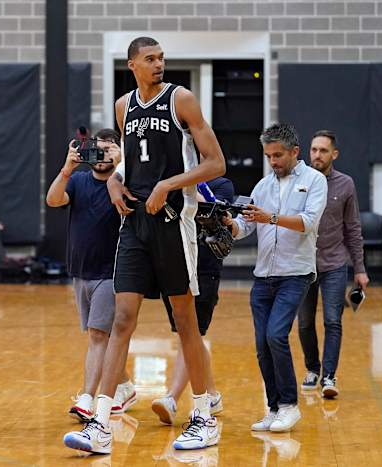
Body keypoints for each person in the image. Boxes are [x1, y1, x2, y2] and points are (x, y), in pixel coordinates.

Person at [63, 36, 226, 455]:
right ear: (132, 64)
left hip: (173, 222)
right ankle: (101, 420)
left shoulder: (181, 99)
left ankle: (204, 414)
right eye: (150, 59)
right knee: (121, 320)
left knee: (185, 320)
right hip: (134, 225)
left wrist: (169, 184)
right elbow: (127, 163)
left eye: (162, 58)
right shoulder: (124, 107)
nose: (159, 65)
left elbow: (215, 163)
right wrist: (116, 181)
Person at [225, 123, 327, 433]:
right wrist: (230, 223)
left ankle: (290, 406)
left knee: (275, 335)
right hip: (263, 277)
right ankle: (273, 408)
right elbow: (247, 227)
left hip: (295, 273)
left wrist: (269, 217)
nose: (273, 161)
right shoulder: (262, 186)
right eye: (268, 156)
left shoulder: (315, 181)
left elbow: (308, 223)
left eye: (278, 155)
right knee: (261, 344)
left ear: (295, 152)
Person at [45, 128, 136, 421]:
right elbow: (53, 200)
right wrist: (67, 168)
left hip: (111, 272)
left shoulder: (124, 181)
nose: (101, 155)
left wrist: (123, 165)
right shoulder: (80, 181)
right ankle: (125, 386)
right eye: (97, 149)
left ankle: (87, 397)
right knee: (104, 338)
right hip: (80, 272)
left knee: (98, 336)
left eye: (109, 149)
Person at [152, 176, 234, 424]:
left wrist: (180, 190)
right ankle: (213, 395)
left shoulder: (220, 184)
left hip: (205, 268)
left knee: (192, 332)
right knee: (188, 335)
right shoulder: (167, 180)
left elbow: (215, 212)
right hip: (175, 266)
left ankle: (172, 398)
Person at [297, 130, 369, 399]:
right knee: (304, 323)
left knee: (332, 321)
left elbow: (353, 229)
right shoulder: (300, 182)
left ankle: (329, 376)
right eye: (314, 150)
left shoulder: (346, 184)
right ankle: (312, 368)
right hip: (304, 265)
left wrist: (359, 269)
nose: (317, 155)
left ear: (334, 154)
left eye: (323, 150)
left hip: (335, 264)